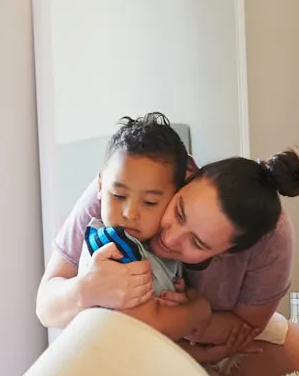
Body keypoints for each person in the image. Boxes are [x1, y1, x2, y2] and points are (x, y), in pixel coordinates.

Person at [37, 139, 299, 376]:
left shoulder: (270, 236)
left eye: (197, 242)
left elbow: (246, 327)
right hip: (143, 348)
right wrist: (86, 289)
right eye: (179, 212)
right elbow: (47, 307)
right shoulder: (129, 186)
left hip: (214, 338)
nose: (170, 239)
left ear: (228, 251)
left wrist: (199, 326)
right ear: (185, 180)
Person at [68, 112, 211, 342]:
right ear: (100, 187)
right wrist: (200, 309)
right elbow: (150, 326)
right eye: (118, 195)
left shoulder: (158, 246)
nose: (129, 213)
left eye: (149, 202)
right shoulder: (112, 244)